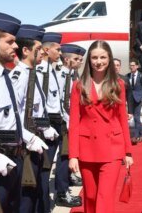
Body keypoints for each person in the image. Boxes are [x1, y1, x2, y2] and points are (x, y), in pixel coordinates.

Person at [0, 12, 48, 212]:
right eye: (10, 42)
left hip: (13, 162)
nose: (16, 46)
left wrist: (29, 138)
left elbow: (13, 119)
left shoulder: (7, 78)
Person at [68, 40, 134, 213]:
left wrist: (128, 151)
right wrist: (72, 155)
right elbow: (74, 122)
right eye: (95, 57)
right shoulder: (78, 86)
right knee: (90, 196)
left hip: (112, 148)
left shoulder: (118, 84)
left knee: (104, 197)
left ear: (109, 59)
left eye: (103, 57)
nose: (99, 61)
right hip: (86, 149)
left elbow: (122, 119)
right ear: (89, 60)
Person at [12, 24, 60, 213]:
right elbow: (16, 114)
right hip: (26, 144)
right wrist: (29, 138)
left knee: (37, 192)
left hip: (37, 141)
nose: (43, 53)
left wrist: (46, 128)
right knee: (26, 197)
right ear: (26, 50)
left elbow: (38, 110)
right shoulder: (20, 77)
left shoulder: (32, 75)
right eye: (38, 49)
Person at [36, 32, 81, 210]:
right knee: (46, 167)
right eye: (57, 49)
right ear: (46, 50)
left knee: (64, 157)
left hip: (60, 121)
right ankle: (45, 199)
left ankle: (58, 193)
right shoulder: (44, 73)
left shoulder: (54, 72)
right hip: (47, 125)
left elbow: (61, 102)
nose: (60, 53)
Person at [58, 43, 86, 187]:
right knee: (65, 154)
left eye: (81, 59)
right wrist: (69, 120)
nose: (80, 62)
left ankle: (69, 178)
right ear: (66, 59)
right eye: (77, 59)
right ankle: (62, 188)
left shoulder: (74, 75)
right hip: (66, 120)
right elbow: (61, 100)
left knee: (72, 153)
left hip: (74, 120)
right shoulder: (61, 75)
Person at [126, 59, 142, 143]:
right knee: (133, 118)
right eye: (130, 65)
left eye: (133, 65)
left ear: (137, 66)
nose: (131, 67)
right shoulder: (127, 76)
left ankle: (135, 137)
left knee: (136, 117)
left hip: (138, 99)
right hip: (130, 100)